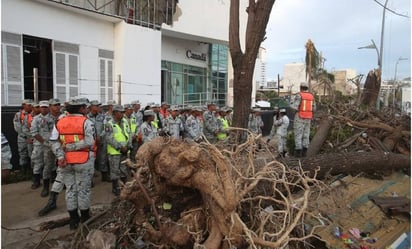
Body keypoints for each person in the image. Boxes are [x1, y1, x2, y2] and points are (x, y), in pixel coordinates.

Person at [49, 97, 95, 230]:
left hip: (65, 162)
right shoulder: (87, 122)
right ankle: (85, 218)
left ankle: (73, 220)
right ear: (81, 108)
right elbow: (89, 142)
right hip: (83, 160)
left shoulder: (60, 122)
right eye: (85, 107)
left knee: (70, 190)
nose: (86, 109)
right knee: (83, 190)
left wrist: (60, 155)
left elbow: (53, 141)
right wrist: (72, 147)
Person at [30, 100, 56, 196]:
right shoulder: (36, 119)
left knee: (49, 164)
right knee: (38, 162)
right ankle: (36, 181)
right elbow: (34, 132)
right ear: (40, 108)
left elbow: (55, 131)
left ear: (48, 107)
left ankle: (48, 185)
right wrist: (43, 142)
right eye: (42, 107)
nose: (44, 109)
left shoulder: (53, 118)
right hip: (39, 145)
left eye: (46, 107)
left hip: (50, 145)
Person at [105, 105, 132, 196]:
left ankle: (123, 187)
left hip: (125, 151)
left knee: (124, 170)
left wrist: (128, 145)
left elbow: (129, 134)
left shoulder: (125, 122)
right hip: (115, 152)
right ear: (115, 113)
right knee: (115, 171)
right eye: (120, 112)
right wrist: (120, 147)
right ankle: (116, 188)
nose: (122, 114)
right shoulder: (109, 124)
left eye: (123, 112)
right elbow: (109, 138)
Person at [290, 82, 315, 157]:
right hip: (308, 117)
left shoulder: (299, 95)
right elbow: (314, 108)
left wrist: (290, 103)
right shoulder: (311, 96)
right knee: (306, 134)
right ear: (307, 88)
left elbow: (294, 107)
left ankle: (298, 153)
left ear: (301, 87)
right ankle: (305, 152)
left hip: (300, 116)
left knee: (298, 134)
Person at [87, 100, 109, 182]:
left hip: (101, 141)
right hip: (91, 142)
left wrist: (100, 136)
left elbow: (106, 128)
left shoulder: (102, 117)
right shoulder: (86, 117)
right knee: (91, 160)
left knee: (103, 158)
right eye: (96, 106)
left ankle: (104, 176)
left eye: (98, 106)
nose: (98, 107)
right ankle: (90, 179)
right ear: (91, 107)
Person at [13, 99, 34, 172]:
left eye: (31, 105)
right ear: (23, 105)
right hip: (22, 138)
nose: (31, 107)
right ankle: (23, 171)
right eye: (29, 105)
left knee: (33, 155)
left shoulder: (34, 114)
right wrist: (25, 136)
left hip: (32, 138)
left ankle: (33, 172)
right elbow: (17, 127)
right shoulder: (18, 115)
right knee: (22, 154)